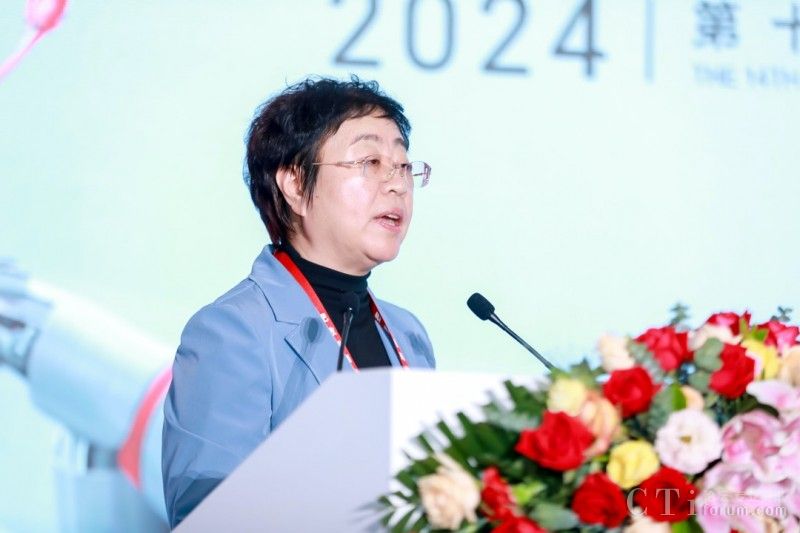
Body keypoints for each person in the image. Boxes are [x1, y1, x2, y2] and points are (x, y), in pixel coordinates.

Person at [160, 76, 435, 528]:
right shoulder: (232, 333)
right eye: (370, 162)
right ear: (294, 183)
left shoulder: (409, 335)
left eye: (404, 166)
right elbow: (207, 515)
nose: (397, 184)